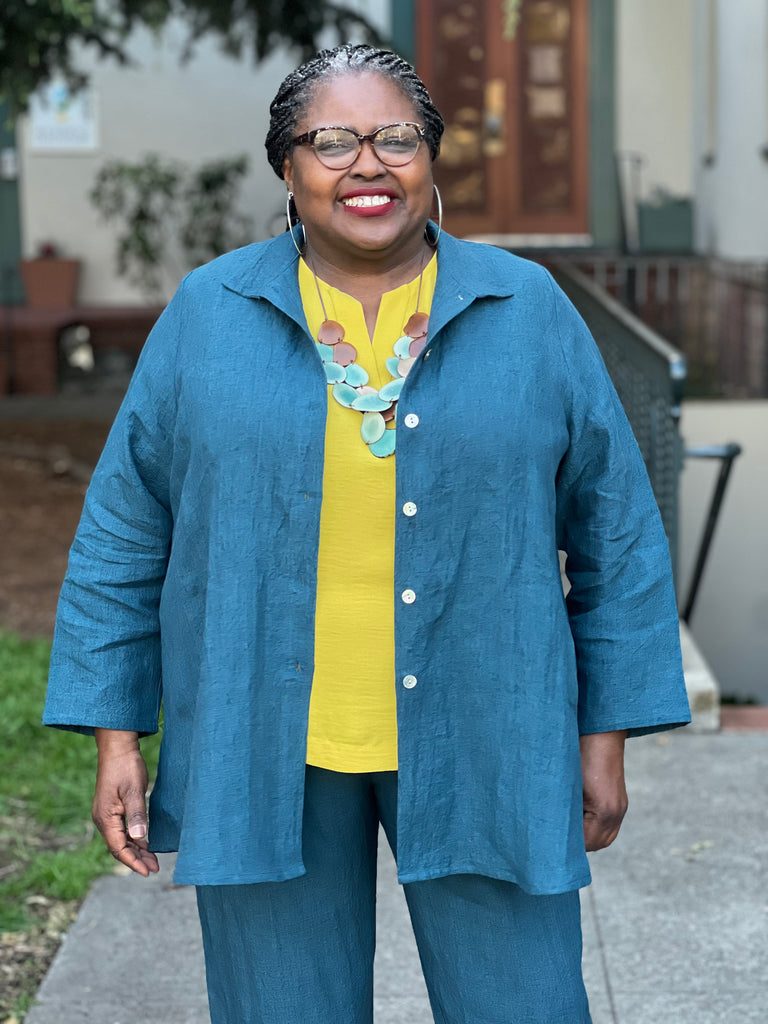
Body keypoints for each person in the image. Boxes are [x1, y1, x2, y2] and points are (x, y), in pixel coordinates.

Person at [44, 43, 691, 1024]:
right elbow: (123, 534)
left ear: (431, 156)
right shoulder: (209, 314)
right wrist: (116, 734)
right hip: (261, 741)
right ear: (287, 166)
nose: (367, 165)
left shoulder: (529, 311)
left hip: (491, 735)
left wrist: (603, 736)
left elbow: (619, 537)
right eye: (331, 142)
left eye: (396, 137)